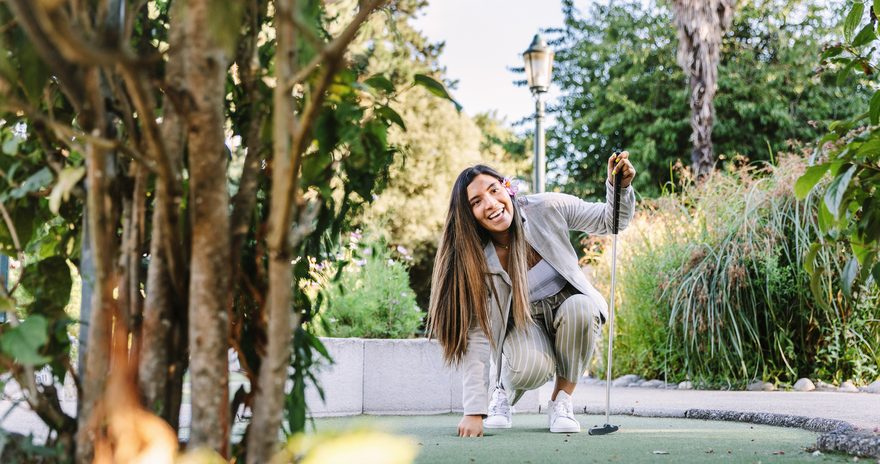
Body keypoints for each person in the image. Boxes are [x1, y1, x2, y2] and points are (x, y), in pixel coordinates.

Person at [427, 151, 636, 437]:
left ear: (507, 188)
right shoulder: (474, 258)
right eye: (476, 202)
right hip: (521, 323)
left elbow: (609, 221)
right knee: (529, 367)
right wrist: (473, 411)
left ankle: (562, 401)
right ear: (469, 215)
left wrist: (619, 188)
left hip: (567, 308)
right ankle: (501, 391)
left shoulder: (546, 207)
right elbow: (475, 335)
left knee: (583, 309)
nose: (491, 204)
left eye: (494, 190)